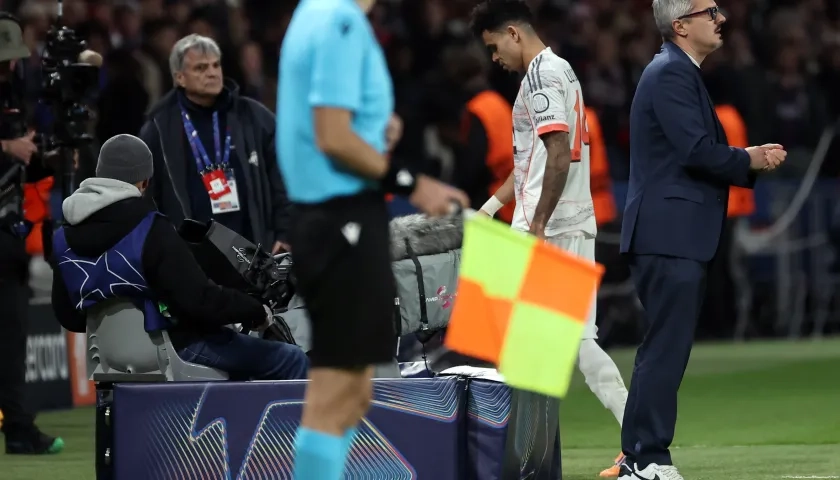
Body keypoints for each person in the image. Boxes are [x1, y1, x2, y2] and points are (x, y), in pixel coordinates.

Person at [278, 0, 469, 477]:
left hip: (331, 218)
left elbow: (333, 125)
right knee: (338, 391)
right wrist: (415, 184)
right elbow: (333, 137)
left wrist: (374, 126)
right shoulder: (340, 21)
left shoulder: (314, 14)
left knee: (353, 389)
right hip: (340, 218)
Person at [618, 2, 786, 479]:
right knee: (665, 348)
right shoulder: (671, 72)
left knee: (665, 347)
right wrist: (748, 158)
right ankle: (646, 458)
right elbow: (694, 150)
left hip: (673, 232)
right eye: (709, 11)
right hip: (667, 232)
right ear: (681, 25)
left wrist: (745, 159)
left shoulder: (677, 71)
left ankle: (639, 455)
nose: (721, 18)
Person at [469, 1, 629, 476]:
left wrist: (535, 225)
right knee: (579, 344)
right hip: (570, 223)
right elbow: (532, 164)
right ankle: (641, 439)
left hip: (552, 230)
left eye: (494, 46)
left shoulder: (541, 78)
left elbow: (558, 154)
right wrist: (491, 208)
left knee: (502, 340)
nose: (494, 57)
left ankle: (510, 460)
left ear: (513, 33)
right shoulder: (560, 71)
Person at [50, 134, 308, 381]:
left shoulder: (62, 237)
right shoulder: (150, 228)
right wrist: (253, 310)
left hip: (106, 358)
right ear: (144, 182)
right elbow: (199, 300)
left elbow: (69, 316)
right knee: (291, 359)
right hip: (173, 350)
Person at [138, 34, 292, 253]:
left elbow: (284, 177)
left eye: (215, 65)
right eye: (200, 68)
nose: (212, 73)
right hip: (191, 259)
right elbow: (147, 197)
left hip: (256, 250)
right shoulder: (159, 129)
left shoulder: (254, 118)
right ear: (180, 77)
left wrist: (284, 233)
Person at [0, 11, 63, 455]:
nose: (7, 65)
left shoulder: (14, 91)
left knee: (12, 335)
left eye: (11, 58)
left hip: (7, 232)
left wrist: (37, 154)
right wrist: (5, 147)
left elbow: (23, 162)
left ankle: (19, 428)